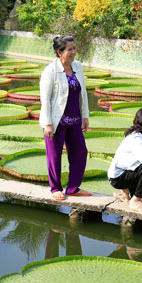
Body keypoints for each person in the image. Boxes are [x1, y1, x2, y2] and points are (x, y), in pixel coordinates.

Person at [38, 35, 91, 200]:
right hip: (56, 121)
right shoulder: (50, 71)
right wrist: (47, 124)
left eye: (74, 48)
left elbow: (82, 93)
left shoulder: (78, 67)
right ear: (60, 52)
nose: (74, 52)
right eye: (70, 49)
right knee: (54, 156)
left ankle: (73, 188)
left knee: (81, 152)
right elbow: (45, 99)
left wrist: (85, 116)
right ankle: (55, 188)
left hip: (74, 120)